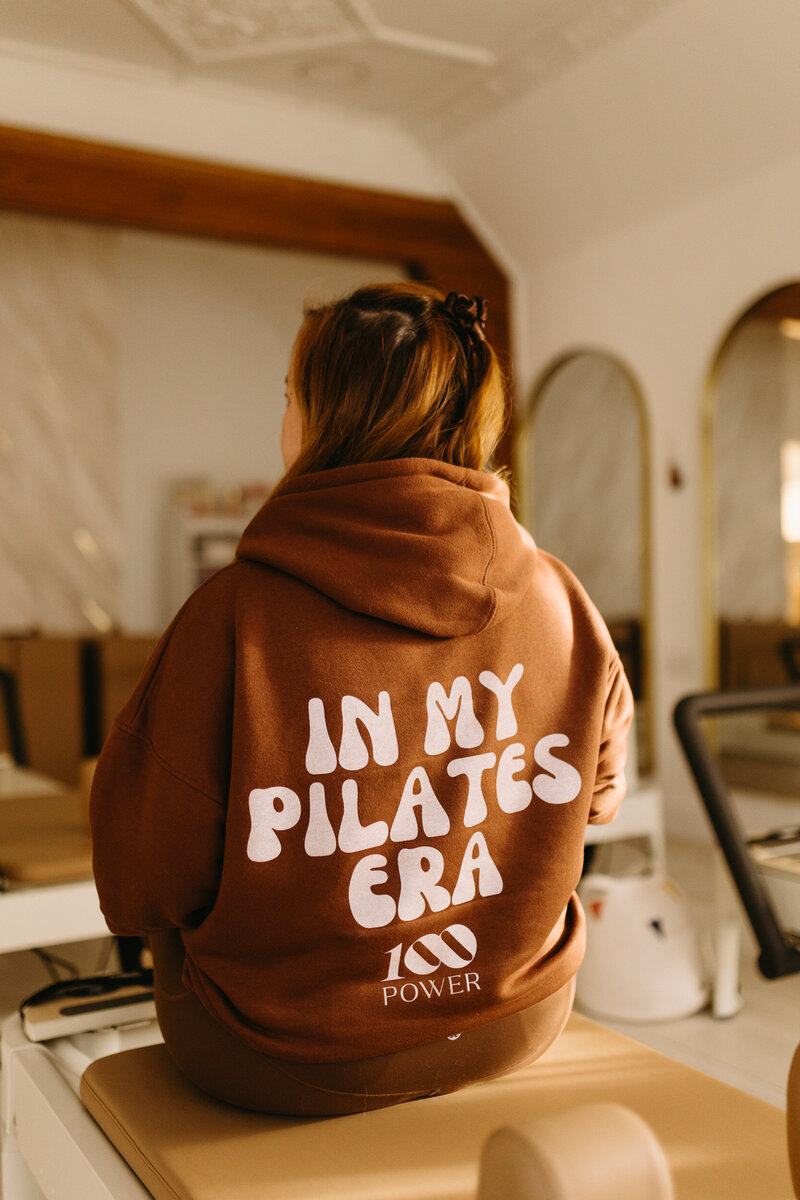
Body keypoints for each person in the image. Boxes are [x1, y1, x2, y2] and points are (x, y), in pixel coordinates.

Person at [90, 281, 633, 1116]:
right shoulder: (563, 598)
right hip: (520, 1016)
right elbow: (595, 799)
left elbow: (143, 885)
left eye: (288, 399)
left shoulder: (231, 617)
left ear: (327, 417)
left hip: (281, 1059)